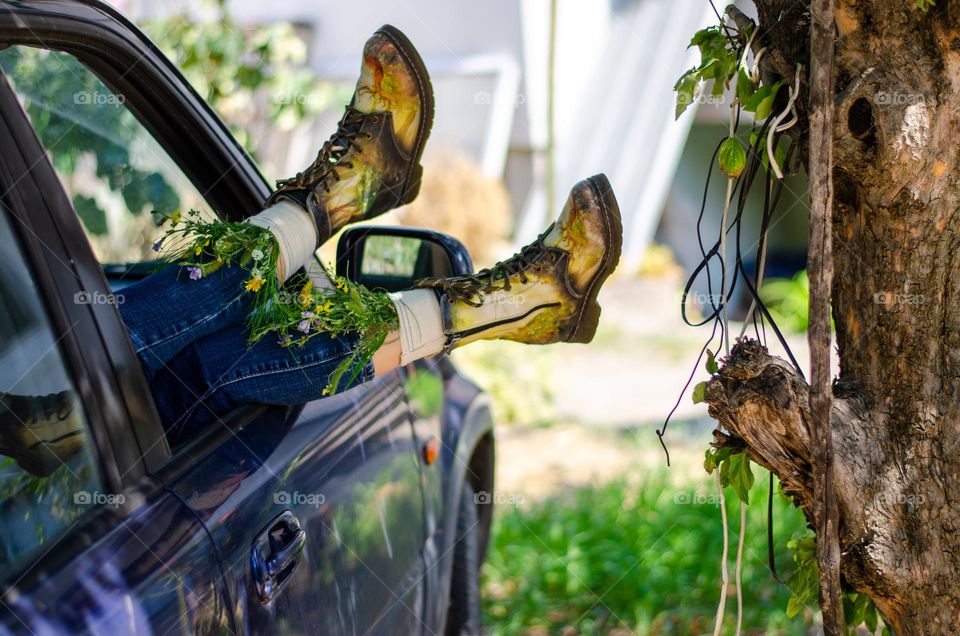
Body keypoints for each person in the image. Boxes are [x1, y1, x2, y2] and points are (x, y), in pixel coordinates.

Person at [0, 25, 622, 476]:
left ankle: (503, 298)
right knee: (127, 336)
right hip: (40, 403)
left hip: (51, 405)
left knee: (207, 361)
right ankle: (342, 210)